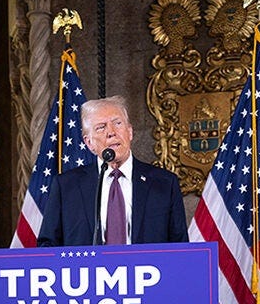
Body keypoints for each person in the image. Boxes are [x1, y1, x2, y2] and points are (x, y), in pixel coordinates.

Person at [37, 95, 187, 246]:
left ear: (130, 132)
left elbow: (180, 248)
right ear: (89, 143)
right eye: (101, 127)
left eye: (117, 123)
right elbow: (48, 246)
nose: (111, 132)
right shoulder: (67, 186)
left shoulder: (164, 183)